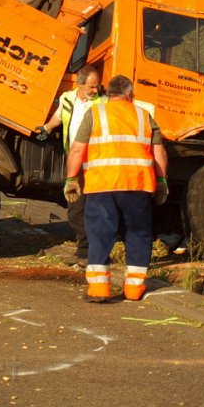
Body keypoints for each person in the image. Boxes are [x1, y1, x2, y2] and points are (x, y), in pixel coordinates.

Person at [64, 74, 169, 303]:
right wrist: (161, 182)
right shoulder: (144, 116)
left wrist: (71, 179)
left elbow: (76, 149)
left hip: (102, 185)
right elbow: (159, 152)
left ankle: (99, 289)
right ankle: (133, 289)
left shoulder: (95, 114)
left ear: (108, 93)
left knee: (100, 234)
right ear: (130, 94)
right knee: (138, 235)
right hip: (137, 185)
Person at [35, 65, 106, 267]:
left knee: (90, 206)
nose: (95, 90)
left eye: (97, 86)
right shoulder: (67, 98)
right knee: (75, 207)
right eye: (91, 87)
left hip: (94, 159)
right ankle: (89, 247)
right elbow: (59, 116)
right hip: (74, 158)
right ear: (79, 84)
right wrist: (46, 129)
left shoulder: (103, 102)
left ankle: (87, 250)